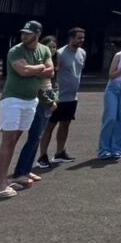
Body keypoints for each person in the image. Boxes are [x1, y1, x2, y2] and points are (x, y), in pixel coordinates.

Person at [0, 20, 53, 198]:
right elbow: (23, 71)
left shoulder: (44, 50)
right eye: (23, 33)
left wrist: (36, 69)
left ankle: (6, 180)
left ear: (37, 34)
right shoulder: (16, 50)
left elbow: (51, 72)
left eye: (28, 33)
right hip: (13, 99)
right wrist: (40, 67)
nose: (24, 36)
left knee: (15, 140)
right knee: (8, 140)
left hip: (31, 100)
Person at [11, 35, 58, 186]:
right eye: (49, 47)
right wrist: (48, 101)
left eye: (54, 47)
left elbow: (51, 77)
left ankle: (26, 169)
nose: (52, 50)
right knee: (34, 137)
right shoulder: (36, 61)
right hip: (40, 100)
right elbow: (35, 84)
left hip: (48, 96)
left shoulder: (48, 62)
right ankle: (19, 172)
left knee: (38, 137)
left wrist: (54, 98)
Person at [38, 27, 86, 167]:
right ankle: (42, 156)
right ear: (71, 38)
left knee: (65, 124)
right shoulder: (59, 53)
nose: (82, 40)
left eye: (83, 38)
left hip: (72, 97)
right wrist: (51, 95)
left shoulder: (82, 53)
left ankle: (60, 153)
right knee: (49, 127)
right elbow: (51, 74)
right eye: (79, 38)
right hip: (57, 97)